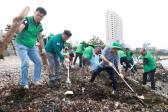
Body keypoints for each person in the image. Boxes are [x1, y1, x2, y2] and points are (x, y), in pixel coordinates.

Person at [15, 7, 47, 89]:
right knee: (25, 62)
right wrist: (16, 23)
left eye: (41, 16)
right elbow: (18, 31)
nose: (39, 17)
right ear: (34, 13)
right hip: (21, 44)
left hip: (31, 46)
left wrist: (43, 48)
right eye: (38, 15)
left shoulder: (40, 25)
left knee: (38, 61)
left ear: (43, 17)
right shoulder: (27, 20)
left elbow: (40, 38)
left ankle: (36, 80)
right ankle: (24, 83)